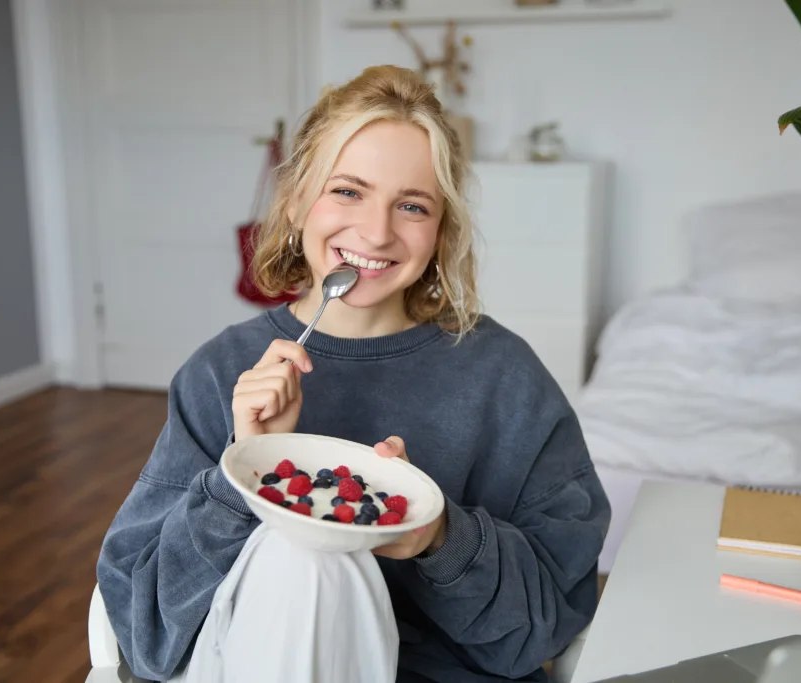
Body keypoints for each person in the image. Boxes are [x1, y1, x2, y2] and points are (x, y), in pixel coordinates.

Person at [96, 64, 611, 683]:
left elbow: (540, 631)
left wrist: (438, 536)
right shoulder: (220, 374)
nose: (375, 231)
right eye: (347, 191)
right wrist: (247, 469)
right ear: (294, 202)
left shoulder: (504, 379)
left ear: (440, 232)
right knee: (305, 554)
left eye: (412, 205)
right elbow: (144, 631)